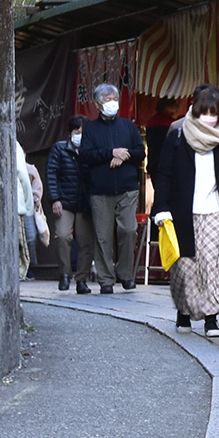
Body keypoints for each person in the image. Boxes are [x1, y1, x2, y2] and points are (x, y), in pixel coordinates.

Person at [153, 85, 219, 338]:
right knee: (186, 265)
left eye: (215, 113)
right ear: (195, 111)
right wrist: (161, 208)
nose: (210, 118)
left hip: (214, 210)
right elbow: (164, 174)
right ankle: (184, 311)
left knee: (213, 264)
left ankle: (211, 318)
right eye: (205, 112)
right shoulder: (178, 136)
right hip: (183, 211)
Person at [78, 84, 144, 293]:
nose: (112, 102)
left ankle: (125, 274)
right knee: (103, 236)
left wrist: (124, 155)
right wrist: (111, 153)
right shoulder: (90, 128)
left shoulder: (128, 126)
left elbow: (139, 152)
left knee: (128, 229)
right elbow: (86, 155)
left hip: (127, 187)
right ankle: (106, 280)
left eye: (114, 98)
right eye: (107, 99)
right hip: (100, 189)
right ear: (98, 104)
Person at [46, 115, 95, 292]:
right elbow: (51, 174)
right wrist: (55, 199)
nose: (79, 135)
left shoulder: (90, 151)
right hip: (64, 201)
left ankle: (81, 279)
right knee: (63, 236)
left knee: (86, 242)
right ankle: (65, 274)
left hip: (84, 203)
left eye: (82, 132)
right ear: (71, 132)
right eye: (77, 131)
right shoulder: (59, 149)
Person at [15, 141, 44, 278]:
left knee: (31, 237)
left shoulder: (31, 169)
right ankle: (20, 268)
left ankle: (29, 265)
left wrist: (32, 200)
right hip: (18, 205)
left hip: (25, 205)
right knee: (16, 240)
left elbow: (34, 186)